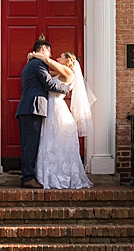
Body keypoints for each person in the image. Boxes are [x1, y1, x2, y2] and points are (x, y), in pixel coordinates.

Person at [27, 48, 92, 189]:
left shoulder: (69, 72)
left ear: (68, 60)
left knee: (57, 140)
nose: (57, 58)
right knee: (49, 140)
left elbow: (48, 60)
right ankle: (48, 174)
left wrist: (34, 55)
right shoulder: (59, 73)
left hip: (56, 107)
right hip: (49, 108)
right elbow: (44, 74)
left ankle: (61, 175)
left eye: (61, 56)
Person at [15, 37, 69, 188]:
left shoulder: (30, 64)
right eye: (50, 52)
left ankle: (28, 174)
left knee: (28, 144)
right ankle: (28, 177)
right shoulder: (38, 64)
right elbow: (50, 84)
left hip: (28, 108)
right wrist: (66, 89)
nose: (51, 56)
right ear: (43, 49)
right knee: (30, 144)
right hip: (33, 108)